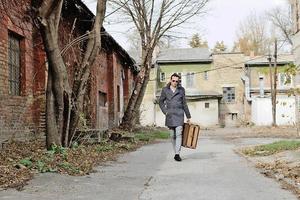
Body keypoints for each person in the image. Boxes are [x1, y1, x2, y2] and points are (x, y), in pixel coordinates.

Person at [159, 73, 191, 162]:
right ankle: (176, 152)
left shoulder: (181, 90)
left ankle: (177, 154)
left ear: (178, 81)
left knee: (179, 134)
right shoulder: (165, 90)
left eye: (177, 81)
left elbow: (184, 103)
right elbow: (161, 102)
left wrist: (188, 116)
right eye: (173, 81)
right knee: (172, 135)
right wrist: (165, 111)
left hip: (179, 114)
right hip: (170, 115)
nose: (175, 82)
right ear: (170, 80)